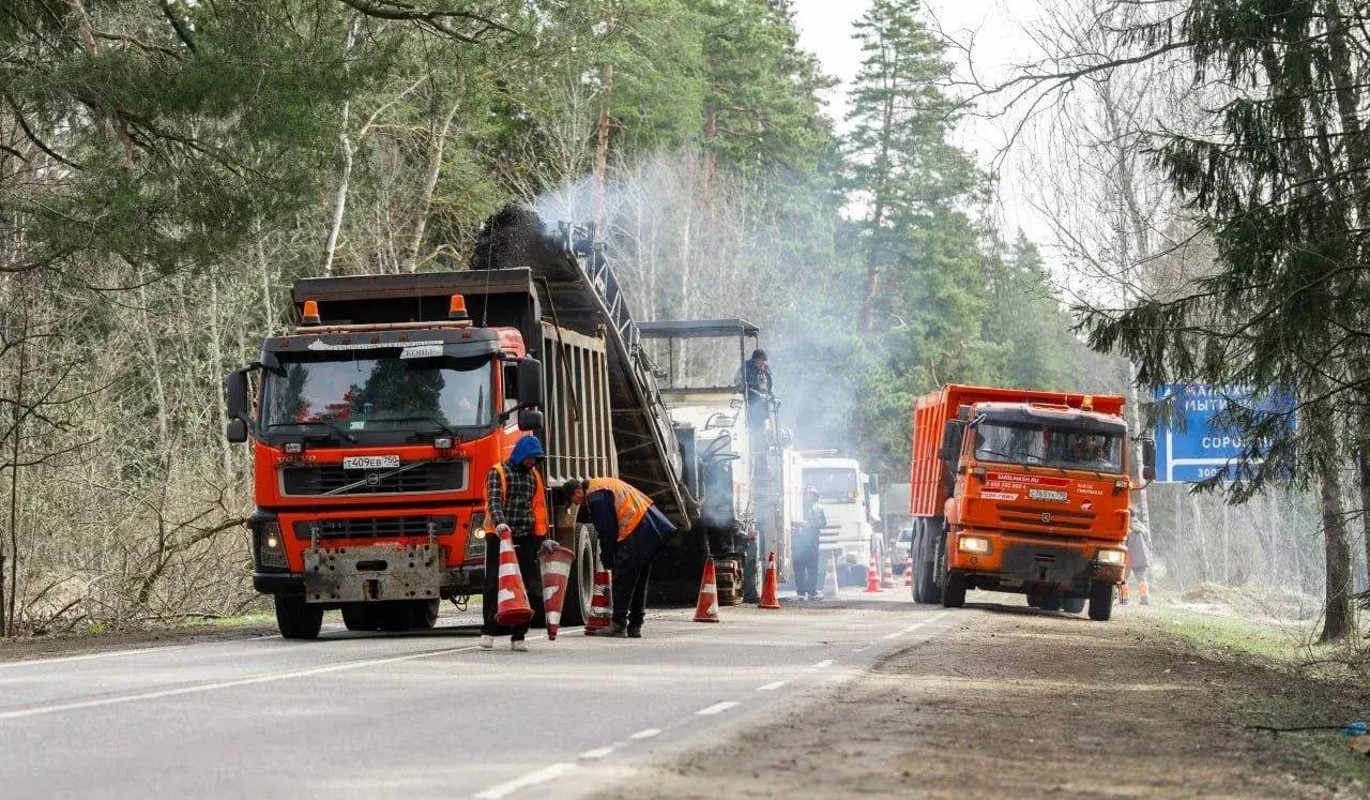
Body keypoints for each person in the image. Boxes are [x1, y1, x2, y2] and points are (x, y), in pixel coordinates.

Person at [564, 476, 676, 638]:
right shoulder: (600, 486)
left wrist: (608, 556)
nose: (576, 504)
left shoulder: (596, 496)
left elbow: (607, 530)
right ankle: (635, 625)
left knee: (622, 578)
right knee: (638, 581)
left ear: (578, 492)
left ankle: (619, 624)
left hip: (637, 529)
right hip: (649, 526)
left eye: (574, 500)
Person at [481, 435, 557, 651]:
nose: (533, 463)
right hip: (499, 535)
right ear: (522, 454)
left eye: (536, 459)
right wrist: (501, 524)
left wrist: (542, 539)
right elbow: (493, 502)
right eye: (531, 458)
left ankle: (519, 635)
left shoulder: (534, 476)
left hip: (525, 536)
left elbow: (539, 509)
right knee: (494, 583)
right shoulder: (499, 472)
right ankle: (489, 630)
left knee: (527, 585)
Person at [792, 488, 826, 600]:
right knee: (799, 568)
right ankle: (800, 592)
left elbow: (823, 523)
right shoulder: (796, 507)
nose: (809, 497)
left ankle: (811, 591)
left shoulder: (818, 508)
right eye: (807, 495)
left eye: (811, 495)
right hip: (798, 543)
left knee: (812, 568)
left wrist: (809, 524)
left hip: (812, 542)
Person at [1119, 508, 1152, 606]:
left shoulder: (1127, 527)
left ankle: (1124, 599)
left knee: (1123, 577)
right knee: (1141, 577)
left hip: (1129, 556)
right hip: (1142, 555)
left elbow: (1124, 543)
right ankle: (1144, 598)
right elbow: (1148, 542)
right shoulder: (1142, 527)